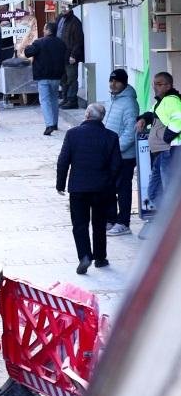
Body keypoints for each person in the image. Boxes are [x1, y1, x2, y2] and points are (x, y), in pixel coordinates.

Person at [56, 102, 122, 274]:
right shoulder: (111, 136)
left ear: (86, 115)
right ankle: (100, 258)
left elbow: (64, 160)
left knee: (80, 224)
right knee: (99, 223)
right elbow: (116, 165)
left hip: (78, 188)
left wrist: (60, 184)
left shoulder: (72, 134)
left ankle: (84, 255)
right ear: (102, 117)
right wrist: (110, 184)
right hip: (101, 188)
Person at [137, 72, 181, 222]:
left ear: (168, 86)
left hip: (169, 151)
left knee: (169, 191)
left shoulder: (171, 101)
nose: (155, 87)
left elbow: (179, 119)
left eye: (159, 84)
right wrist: (143, 118)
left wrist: (166, 137)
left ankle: (172, 224)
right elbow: (152, 113)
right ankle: (168, 223)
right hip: (160, 153)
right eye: (154, 84)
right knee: (155, 191)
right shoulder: (160, 102)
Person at [103, 69, 140, 236]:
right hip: (111, 154)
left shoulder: (129, 103)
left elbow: (130, 132)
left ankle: (123, 222)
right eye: (111, 81)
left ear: (124, 83)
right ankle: (110, 219)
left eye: (117, 81)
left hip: (124, 155)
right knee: (109, 188)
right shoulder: (111, 100)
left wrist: (115, 150)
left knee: (123, 188)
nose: (113, 84)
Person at [25, 22, 68, 136]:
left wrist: (27, 45)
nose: (43, 31)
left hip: (43, 76)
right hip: (57, 76)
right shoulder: (61, 43)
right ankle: (54, 123)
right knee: (54, 99)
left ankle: (49, 124)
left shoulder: (39, 42)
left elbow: (28, 53)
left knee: (45, 101)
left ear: (48, 30)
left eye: (44, 29)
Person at [58, 6, 85, 110]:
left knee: (72, 78)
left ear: (70, 8)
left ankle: (72, 100)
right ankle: (65, 98)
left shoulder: (75, 22)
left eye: (66, 7)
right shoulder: (60, 18)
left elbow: (79, 40)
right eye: (62, 7)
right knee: (63, 78)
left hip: (71, 55)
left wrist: (74, 55)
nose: (63, 9)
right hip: (61, 54)